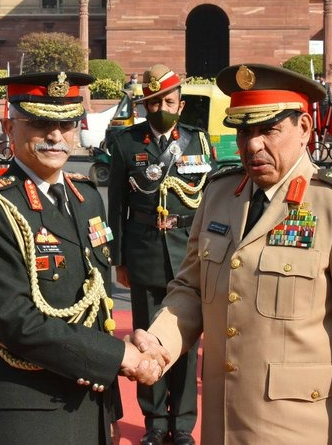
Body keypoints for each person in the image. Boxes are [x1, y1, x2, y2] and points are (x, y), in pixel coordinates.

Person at [130, 64, 332, 444]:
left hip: (303, 431)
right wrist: (160, 345)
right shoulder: (220, 195)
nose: (252, 145)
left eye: (268, 129)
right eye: (244, 130)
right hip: (225, 427)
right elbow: (192, 288)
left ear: (305, 128)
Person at [0, 71, 166, 445]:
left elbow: (98, 310)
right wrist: (121, 357)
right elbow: (18, 323)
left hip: (87, 405)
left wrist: (111, 414)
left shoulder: (87, 198)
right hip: (24, 417)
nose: (55, 135)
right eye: (39, 123)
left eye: (66, 123)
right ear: (9, 127)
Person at [108, 63, 215, 445]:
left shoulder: (198, 142)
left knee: (185, 342)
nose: (160, 108)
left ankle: (183, 423)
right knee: (146, 337)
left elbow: (208, 204)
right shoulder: (125, 144)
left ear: (180, 105)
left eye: (167, 101)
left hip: (186, 252)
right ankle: (154, 421)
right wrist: (118, 258)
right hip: (144, 252)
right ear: (144, 106)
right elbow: (116, 206)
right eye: (153, 102)